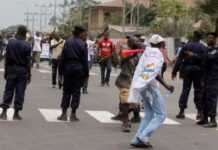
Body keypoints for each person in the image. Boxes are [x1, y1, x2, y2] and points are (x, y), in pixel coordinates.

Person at [128, 34, 174, 148]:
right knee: (161, 115)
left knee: (149, 114)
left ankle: (136, 139)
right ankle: (143, 137)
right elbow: (151, 72)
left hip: (143, 86)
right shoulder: (156, 53)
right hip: (149, 86)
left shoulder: (148, 51)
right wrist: (166, 86)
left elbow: (151, 71)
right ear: (162, 44)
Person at [172, 31, 207, 120]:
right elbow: (205, 60)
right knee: (198, 90)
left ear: (193, 36)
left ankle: (181, 111)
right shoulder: (203, 47)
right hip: (199, 72)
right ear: (200, 38)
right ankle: (199, 112)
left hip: (187, 71)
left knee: (185, 90)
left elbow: (179, 60)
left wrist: (174, 71)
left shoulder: (186, 46)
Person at [57, 26, 89, 121]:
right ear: (80, 33)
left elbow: (63, 58)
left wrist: (60, 72)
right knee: (76, 92)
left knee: (66, 91)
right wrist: (86, 74)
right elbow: (85, 61)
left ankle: (63, 114)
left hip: (68, 69)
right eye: (84, 33)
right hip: (79, 70)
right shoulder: (83, 44)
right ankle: (73, 114)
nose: (85, 35)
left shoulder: (68, 42)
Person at [0, 25, 31, 120]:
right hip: (22, 71)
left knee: (8, 90)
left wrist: (6, 71)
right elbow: (28, 62)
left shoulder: (11, 43)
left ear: (17, 32)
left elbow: (7, 59)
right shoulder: (27, 45)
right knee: (20, 92)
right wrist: (29, 74)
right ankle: (16, 113)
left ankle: (4, 112)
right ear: (25, 33)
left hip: (11, 69)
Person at [112, 36, 143, 132]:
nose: (137, 42)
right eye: (134, 41)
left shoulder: (141, 53)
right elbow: (117, 62)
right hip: (126, 80)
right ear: (129, 44)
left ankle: (136, 116)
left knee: (135, 101)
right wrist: (115, 52)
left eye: (137, 41)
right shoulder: (127, 53)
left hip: (137, 81)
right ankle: (126, 121)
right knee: (125, 100)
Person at [187, 32, 218, 128]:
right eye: (208, 38)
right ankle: (204, 118)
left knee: (211, 99)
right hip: (205, 77)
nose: (209, 40)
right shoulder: (207, 49)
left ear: (215, 39)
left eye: (211, 38)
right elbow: (203, 58)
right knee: (203, 97)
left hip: (213, 78)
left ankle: (213, 120)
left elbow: (208, 58)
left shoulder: (215, 50)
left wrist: (194, 55)